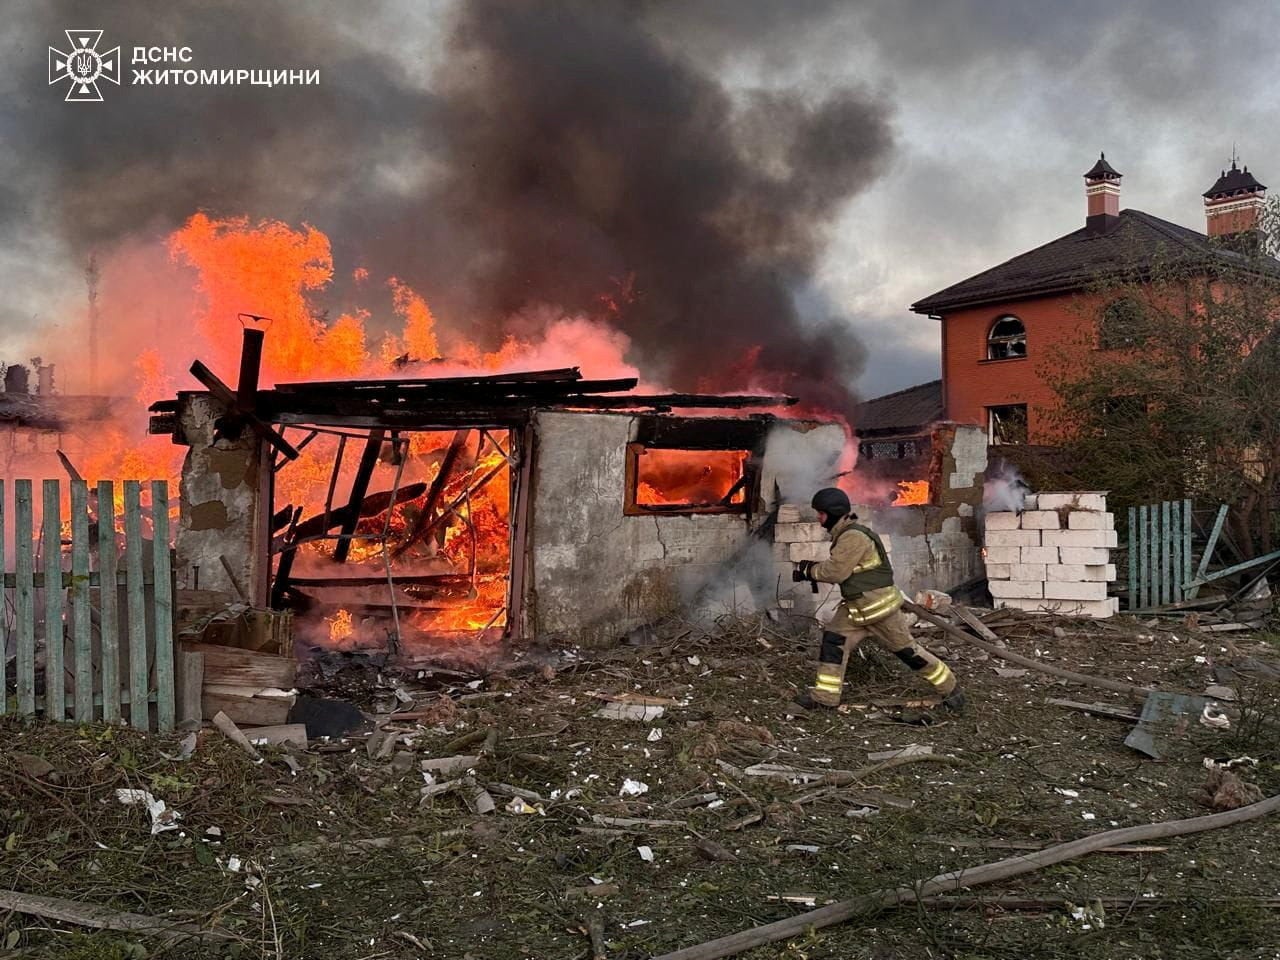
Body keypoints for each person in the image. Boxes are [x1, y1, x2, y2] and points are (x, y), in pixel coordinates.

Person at [790, 487, 965, 713]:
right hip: (856, 609)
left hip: (879, 610)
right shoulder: (847, 534)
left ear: (833, 513)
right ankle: (825, 697)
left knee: (908, 652)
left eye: (821, 513)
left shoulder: (853, 537)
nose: (818, 518)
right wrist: (813, 569)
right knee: (833, 643)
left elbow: (836, 572)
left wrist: (809, 571)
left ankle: (951, 688)